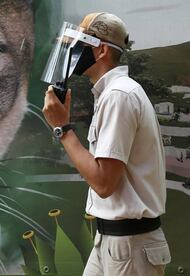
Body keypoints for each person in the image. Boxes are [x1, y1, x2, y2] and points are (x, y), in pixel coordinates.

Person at [42, 12, 171, 276]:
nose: (73, 51)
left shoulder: (119, 96)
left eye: (80, 44)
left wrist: (63, 129)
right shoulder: (112, 94)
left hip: (131, 247)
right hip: (113, 242)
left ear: (101, 50)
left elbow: (103, 183)